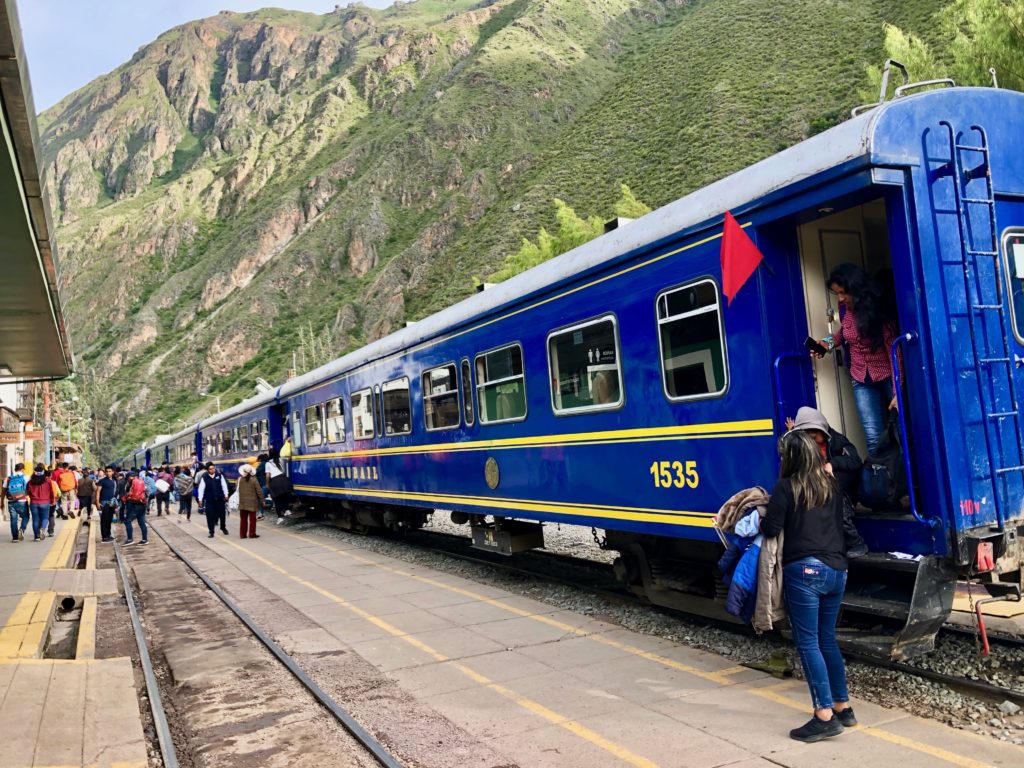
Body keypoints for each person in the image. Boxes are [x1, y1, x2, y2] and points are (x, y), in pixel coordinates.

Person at [761, 431, 854, 742]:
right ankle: (844, 707)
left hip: (805, 572)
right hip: (838, 571)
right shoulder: (831, 485)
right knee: (827, 639)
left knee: (808, 643)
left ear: (790, 458)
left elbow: (772, 528)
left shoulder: (786, 488)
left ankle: (824, 715)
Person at [813, 264, 899, 455]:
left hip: (886, 375)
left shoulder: (879, 310)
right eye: (837, 294)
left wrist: (897, 392)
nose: (841, 298)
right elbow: (844, 333)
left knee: (900, 431)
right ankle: (880, 481)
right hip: (860, 378)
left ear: (857, 289)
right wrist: (826, 343)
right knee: (873, 436)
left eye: (843, 293)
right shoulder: (845, 309)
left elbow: (894, 352)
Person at [197, 462, 229, 538]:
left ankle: (223, 527)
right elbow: (201, 489)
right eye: (210, 469)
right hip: (209, 500)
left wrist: (226, 495)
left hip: (220, 499)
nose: (212, 470)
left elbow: (224, 486)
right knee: (210, 516)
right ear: (207, 470)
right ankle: (211, 532)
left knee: (222, 514)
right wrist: (200, 500)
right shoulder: (204, 477)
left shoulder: (219, 476)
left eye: (213, 468)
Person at [2, 463, 30, 542]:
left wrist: (1, 502)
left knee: (13, 520)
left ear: (14, 469)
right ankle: (21, 529)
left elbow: (3, 491)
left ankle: (15, 538)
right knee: (26, 517)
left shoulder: (8, 478)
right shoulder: (26, 477)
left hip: (11, 501)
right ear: (22, 469)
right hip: (22, 500)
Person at [26, 465, 55, 541]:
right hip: (45, 502)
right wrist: (52, 500)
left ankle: (37, 536)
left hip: (34, 503)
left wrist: (32, 495)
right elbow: (51, 492)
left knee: (35, 519)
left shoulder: (30, 482)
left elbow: (27, 492)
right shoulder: (48, 481)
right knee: (45, 518)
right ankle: (42, 528)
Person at [121, 470, 149, 546]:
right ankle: (144, 539)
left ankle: (130, 539)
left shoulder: (131, 484)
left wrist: (125, 498)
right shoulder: (141, 481)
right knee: (142, 522)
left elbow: (130, 495)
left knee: (127, 521)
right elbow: (146, 493)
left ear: (129, 477)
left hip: (134, 505)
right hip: (142, 505)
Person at [236, 464, 261, 539]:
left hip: (242, 502)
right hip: (252, 503)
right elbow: (259, 490)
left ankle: (242, 535)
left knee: (243, 520)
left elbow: (237, 489)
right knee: (252, 519)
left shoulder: (239, 479)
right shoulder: (254, 479)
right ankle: (252, 534)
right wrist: (262, 499)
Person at [94, 466, 119, 543]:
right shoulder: (102, 481)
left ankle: (108, 535)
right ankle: (104, 537)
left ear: (113, 472)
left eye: (110, 471)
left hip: (112, 503)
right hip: (104, 503)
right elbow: (98, 492)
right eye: (107, 471)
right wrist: (97, 502)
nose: (108, 473)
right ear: (105, 472)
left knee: (109, 519)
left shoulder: (114, 481)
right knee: (104, 520)